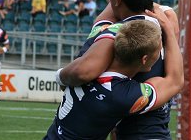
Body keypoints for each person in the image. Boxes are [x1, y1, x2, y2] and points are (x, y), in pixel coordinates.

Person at [58, 0, 182, 139]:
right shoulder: (167, 25)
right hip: (153, 132)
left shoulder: (104, 33)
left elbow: (83, 70)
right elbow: (175, 81)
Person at [45, 17, 182, 139]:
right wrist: (169, 30)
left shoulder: (88, 56)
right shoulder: (123, 96)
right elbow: (175, 81)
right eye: (159, 50)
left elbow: (108, 12)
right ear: (144, 59)